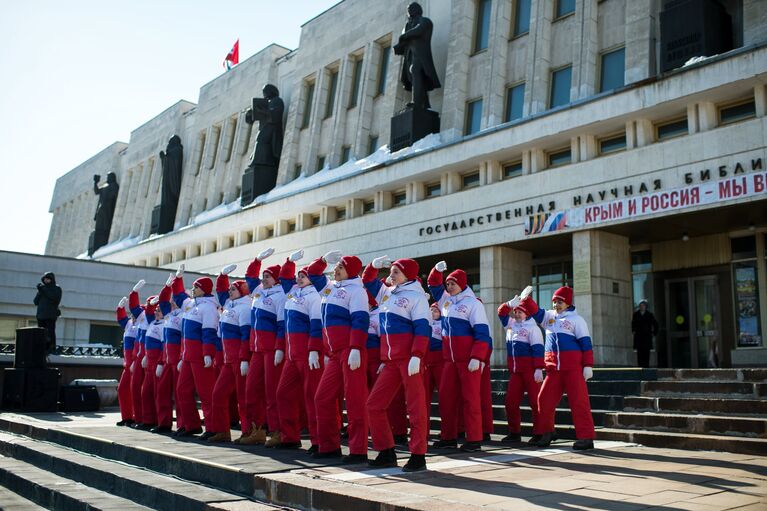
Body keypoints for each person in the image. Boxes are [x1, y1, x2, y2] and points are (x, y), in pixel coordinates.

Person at [363, 256, 431, 472]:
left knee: (416, 408)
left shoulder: (417, 297)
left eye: (395, 272)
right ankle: (386, 451)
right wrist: (373, 266)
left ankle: (418, 455)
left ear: (408, 275)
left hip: (409, 360)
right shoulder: (387, 292)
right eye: (390, 272)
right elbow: (367, 281)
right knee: (374, 405)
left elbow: (423, 328)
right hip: (390, 362)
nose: (390, 276)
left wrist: (417, 355)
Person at [307, 250, 370, 462]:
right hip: (334, 354)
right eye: (336, 267)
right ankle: (329, 446)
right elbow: (313, 273)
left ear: (350, 271)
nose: (336, 270)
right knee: (322, 398)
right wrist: (323, 259)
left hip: (351, 351)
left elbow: (360, 320)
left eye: (340, 267)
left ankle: (358, 450)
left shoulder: (357, 291)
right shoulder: (330, 288)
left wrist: (355, 347)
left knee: (355, 401)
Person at [427, 261, 492, 452]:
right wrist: (437, 271)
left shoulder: (473, 304)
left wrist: (477, 357)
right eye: (447, 284)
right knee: (446, 399)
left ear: (462, 284)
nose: (449, 287)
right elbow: (433, 285)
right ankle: (448, 436)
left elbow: (482, 333)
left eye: (452, 283)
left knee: (470, 399)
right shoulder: (446, 301)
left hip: (467, 361)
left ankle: (474, 439)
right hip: (449, 361)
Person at [525, 286, 595, 450]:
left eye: (560, 301)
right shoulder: (549, 317)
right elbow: (537, 312)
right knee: (544, 400)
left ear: (568, 303)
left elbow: (586, 344)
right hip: (553, 370)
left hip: (573, 369)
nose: (556, 304)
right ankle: (548, 432)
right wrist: (526, 300)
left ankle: (586, 437)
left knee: (579, 402)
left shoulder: (577, 320)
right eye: (555, 301)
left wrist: (588, 365)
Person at [274, 250, 324, 450]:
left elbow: (317, 325)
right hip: (292, 355)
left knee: (312, 397)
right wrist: (289, 262)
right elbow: (285, 277)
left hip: (307, 354)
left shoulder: (316, 295)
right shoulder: (293, 292)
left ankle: (319, 441)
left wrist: (314, 349)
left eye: (303, 275)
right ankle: (290, 437)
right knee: (283, 394)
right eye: (299, 276)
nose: (299, 278)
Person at [237, 248, 286, 445]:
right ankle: (256, 429)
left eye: (268, 276)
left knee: (272, 392)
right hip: (256, 350)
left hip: (271, 350)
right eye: (263, 275)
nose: (264, 279)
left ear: (277, 279)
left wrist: (280, 348)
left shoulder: (281, 295)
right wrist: (257, 259)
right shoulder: (258, 292)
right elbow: (249, 276)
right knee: (251, 389)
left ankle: (277, 430)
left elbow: (282, 325)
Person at [172, 267, 219, 438]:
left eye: (196, 287)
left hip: (200, 355)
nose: (193, 289)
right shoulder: (190, 303)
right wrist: (178, 279)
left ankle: (213, 428)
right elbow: (178, 296)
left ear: (204, 289)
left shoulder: (209, 308)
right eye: (193, 286)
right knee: (182, 390)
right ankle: (192, 425)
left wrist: (208, 353)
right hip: (187, 356)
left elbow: (209, 332)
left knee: (206, 392)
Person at [207, 264, 251, 443]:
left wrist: (243, 359)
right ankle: (221, 431)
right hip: (227, 361)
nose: (230, 291)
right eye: (230, 288)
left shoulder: (245, 307)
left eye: (234, 288)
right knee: (218, 394)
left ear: (242, 291)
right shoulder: (229, 304)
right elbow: (221, 289)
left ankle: (249, 432)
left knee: (243, 397)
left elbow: (246, 336)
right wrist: (222, 275)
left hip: (238, 361)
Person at [497, 293, 544, 444]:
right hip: (516, 372)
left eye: (520, 312)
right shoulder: (510, 324)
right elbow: (501, 312)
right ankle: (514, 432)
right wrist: (509, 304)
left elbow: (538, 349)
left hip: (530, 371)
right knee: (510, 403)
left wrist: (538, 368)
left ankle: (540, 432)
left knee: (535, 403)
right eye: (515, 311)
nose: (516, 314)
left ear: (527, 313)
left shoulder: (533, 328)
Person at [154, 276, 184, 433]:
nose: (171, 301)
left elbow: (184, 339)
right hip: (166, 360)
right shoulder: (169, 315)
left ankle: (183, 425)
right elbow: (163, 300)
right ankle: (164, 423)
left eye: (174, 299)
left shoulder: (183, 313)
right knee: (162, 392)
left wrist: (181, 358)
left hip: (178, 360)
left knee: (180, 394)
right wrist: (167, 286)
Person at [139, 295, 162, 430]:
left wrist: (160, 362)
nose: (156, 312)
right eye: (156, 310)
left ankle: (160, 422)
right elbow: (148, 312)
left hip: (157, 362)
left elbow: (163, 346)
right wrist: (146, 356)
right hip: (149, 362)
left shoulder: (164, 324)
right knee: (146, 392)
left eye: (159, 310)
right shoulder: (153, 322)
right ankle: (148, 420)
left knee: (158, 394)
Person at [115, 296, 138, 426]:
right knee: (123, 389)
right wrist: (120, 308)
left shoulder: (142, 324)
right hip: (127, 365)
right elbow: (121, 319)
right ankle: (127, 416)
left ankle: (136, 416)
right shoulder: (129, 323)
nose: (133, 316)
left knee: (135, 391)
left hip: (135, 363)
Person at [34, 272, 62, 354]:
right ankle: (42, 348)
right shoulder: (42, 289)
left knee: (50, 332)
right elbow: (35, 302)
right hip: (41, 315)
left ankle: (52, 348)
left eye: (48, 279)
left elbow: (54, 298)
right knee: (41, 333)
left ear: (51, 279)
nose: (46, 280)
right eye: (45, 279)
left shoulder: (56, 288)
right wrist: (40, 292)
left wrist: (43, 290)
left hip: (50, 314)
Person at [632, 300, 658, 368]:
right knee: (639, 354)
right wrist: (633, 331)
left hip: (647, 337)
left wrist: (654, 333)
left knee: (646, 353)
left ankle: (646, 368)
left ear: (646, 307)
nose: (641, 307)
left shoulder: (649, 314)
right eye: (640, 306)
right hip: (639, 337)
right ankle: (640, 368)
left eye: (643, 306)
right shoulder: (636, 314)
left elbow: (655, 324)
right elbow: (633, 323)